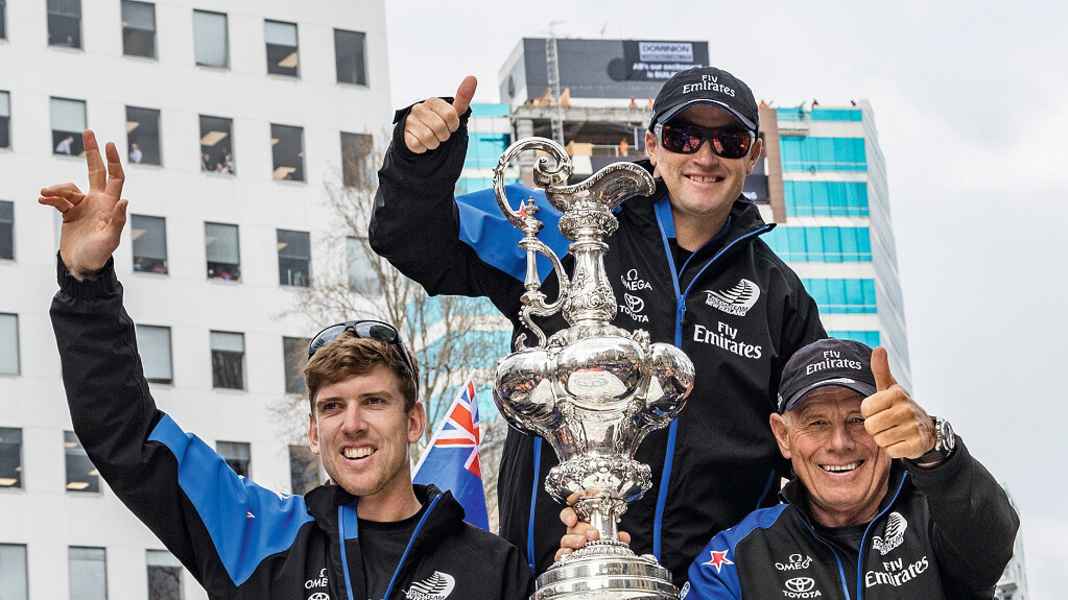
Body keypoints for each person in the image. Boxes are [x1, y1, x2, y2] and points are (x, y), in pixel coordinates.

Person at [369, 66, 826, 583]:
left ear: (754, 154)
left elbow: (822, 441)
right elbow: (412, 240)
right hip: (560, 574)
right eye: (683, 136)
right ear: (652, 144)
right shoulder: (566, 228)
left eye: (729, 140)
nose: (704, 156)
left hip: (715, 587)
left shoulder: (779, 295)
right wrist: (421, 160)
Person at [40, 130, 532, 600]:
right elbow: (128, 438)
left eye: (374, 402)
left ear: (414, 421)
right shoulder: (260, 536)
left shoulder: (492, 567)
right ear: (314, 432)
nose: (352, 424)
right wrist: (86, 283)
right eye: (332, 407)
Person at [562, 338, 1019, 599]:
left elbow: (994, 539)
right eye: (817, 423)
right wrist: (607, 578)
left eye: (858, 420)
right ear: (782, 436)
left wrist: (937, 451)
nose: (839, 443)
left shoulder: (936, 517)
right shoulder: (737, 555)